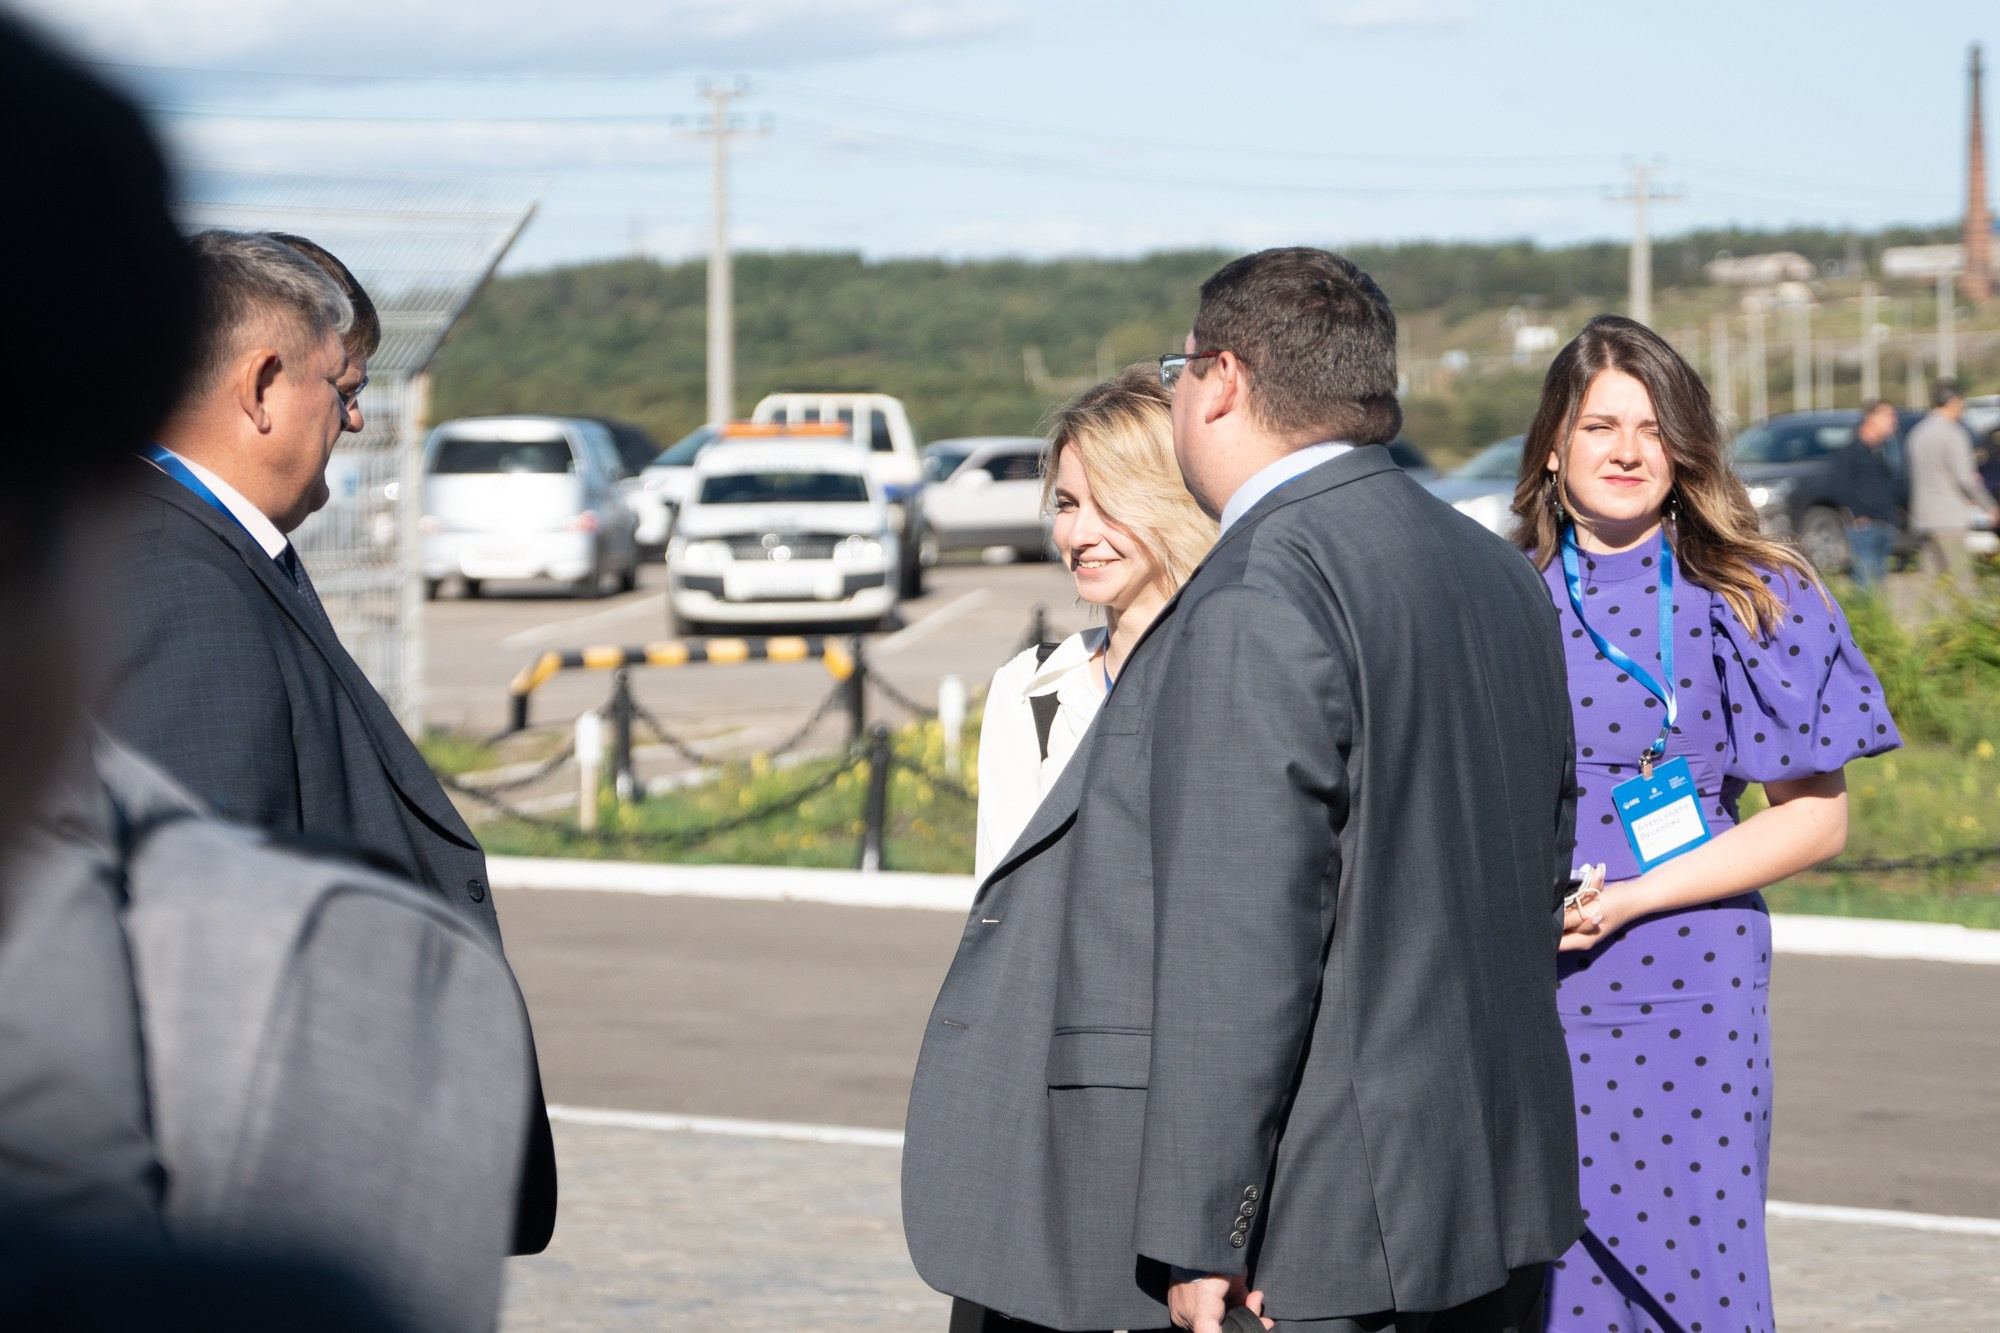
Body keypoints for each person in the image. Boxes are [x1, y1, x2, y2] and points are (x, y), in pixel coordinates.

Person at [905, 247, 1582, 1333]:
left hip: (1327, 1228)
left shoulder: (1259, 587)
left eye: (1178, 372)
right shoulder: (1497, 570)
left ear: (1221, 379)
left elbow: (1242, 941)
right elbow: (1533, 863)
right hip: (1493, 1192)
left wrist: (1199, 1225)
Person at [100, 228, 557, 1255]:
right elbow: (201, 972)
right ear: (262, 385)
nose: (355, 418)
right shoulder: (181, 581)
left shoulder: (193, 548)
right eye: (342, 388)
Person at [1507, 315, 1902, 1333]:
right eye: (1600, 426)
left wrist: (1633, 897)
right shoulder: (1498, 595)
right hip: (1529, 986)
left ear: (1683, 446)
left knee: (1698, 1280)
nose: (1627, 451)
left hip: (1690, 989)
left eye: (1652, 427)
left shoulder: (1752, 591)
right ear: (1552, 445)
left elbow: (1815, 823)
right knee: (1550, 1284)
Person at [973, 366, 1216, 882]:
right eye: (1067, 504)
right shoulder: (1029, 694)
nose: (1079, 534)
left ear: (1175, 506)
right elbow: (1002, 908)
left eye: (1109, 505)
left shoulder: (1239, 683)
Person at [1905, 379, 1999, 596]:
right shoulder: (1953, 433)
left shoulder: (1917, 433)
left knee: (1933, 585)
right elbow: (1965, 478)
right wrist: (1990, 507)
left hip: (1923, 518)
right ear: (1953, 402)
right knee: (1960, 582)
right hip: (1949, 519)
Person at [1828, 399, 1900, 592]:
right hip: (1864, 527)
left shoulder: (1881, 451)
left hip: (1884, 522)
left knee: (1879, 584)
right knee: (1864, 582)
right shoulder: (1851, 451)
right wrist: (1858, 515)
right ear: (1870, 417)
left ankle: (1875, 612)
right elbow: (1839, 487)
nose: (1893, 422)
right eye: (1887, 416)